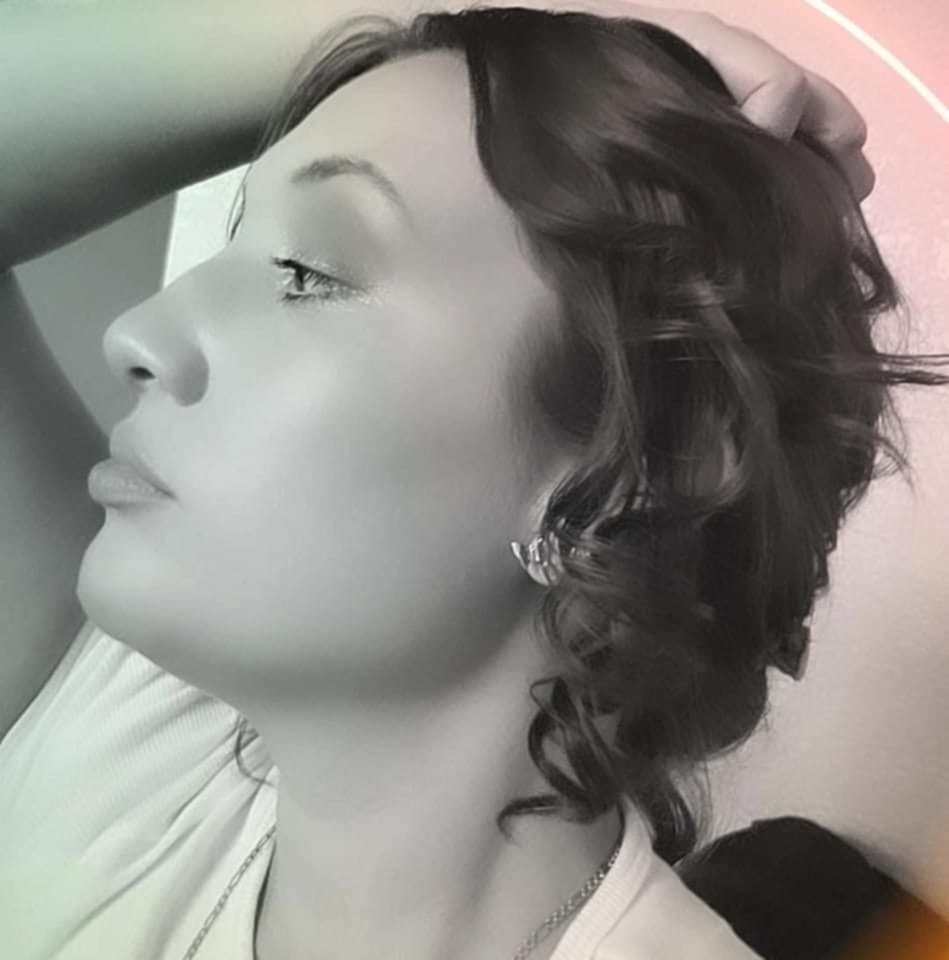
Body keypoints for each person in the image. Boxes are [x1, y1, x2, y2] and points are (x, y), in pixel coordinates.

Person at [0, 2, 945, 959]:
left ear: (633, 475)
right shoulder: (129, 753)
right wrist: (481, 18)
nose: (139, 335)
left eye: (309, 270)